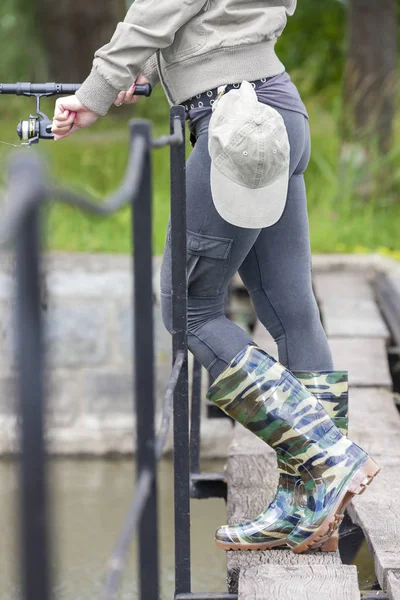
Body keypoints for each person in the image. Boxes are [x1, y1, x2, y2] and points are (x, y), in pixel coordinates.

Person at [52, 0, 379, 554]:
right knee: (292, 310)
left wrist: (95, 92)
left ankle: (326, 456)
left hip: (233, 120)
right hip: (277, 105)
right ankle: (311, 508)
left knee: (187, 307)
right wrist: (149, 68)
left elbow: (162, 8)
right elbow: (219, 21)